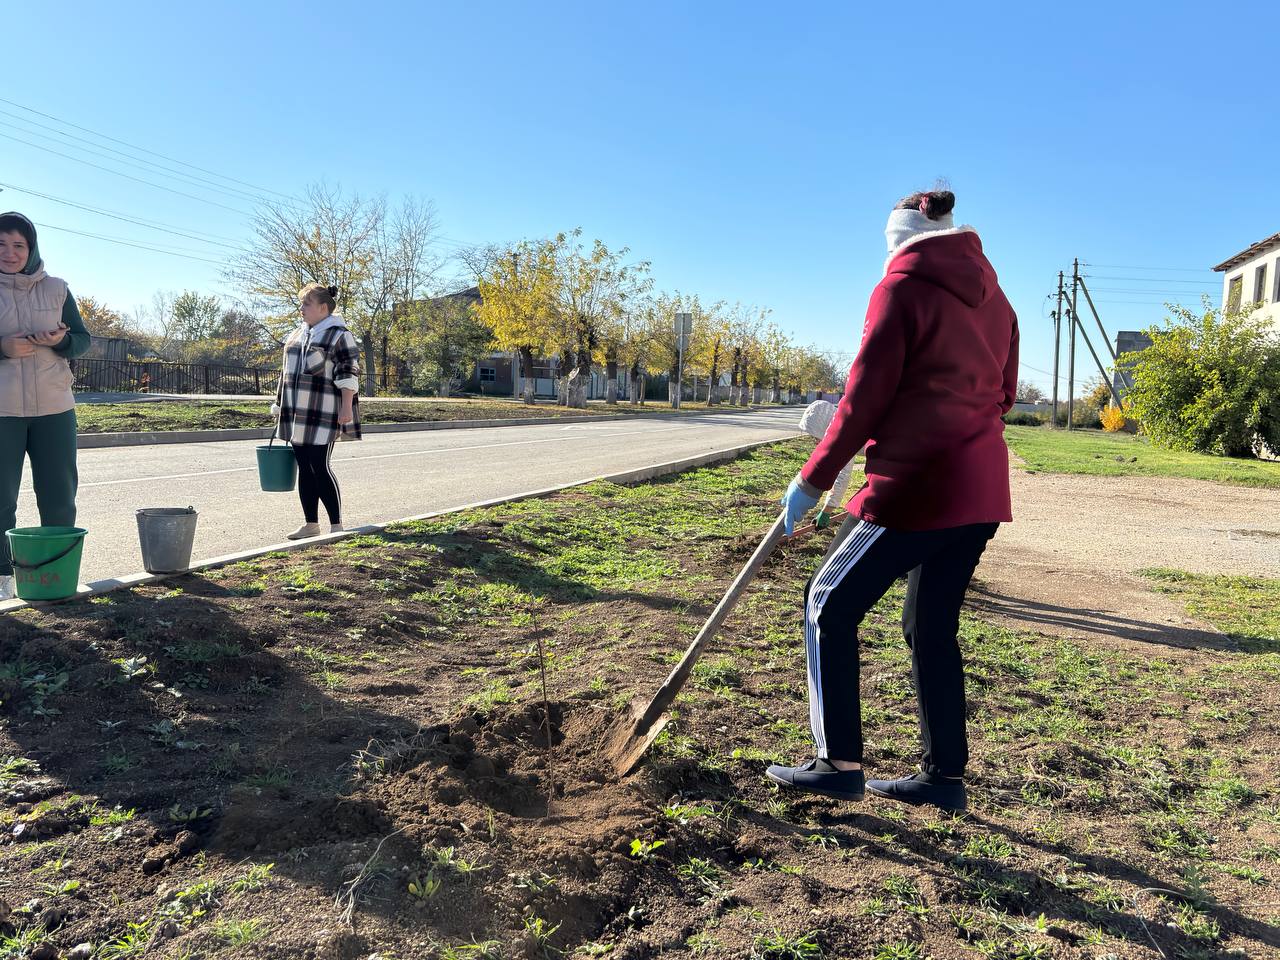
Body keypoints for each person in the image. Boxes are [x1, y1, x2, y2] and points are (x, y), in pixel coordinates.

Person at [767, 189, 1018, 811]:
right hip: (981, 488)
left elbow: (863, 400)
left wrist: (812, 480)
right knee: (931, 626)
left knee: (827, 602)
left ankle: (837, 764)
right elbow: (1006, 394)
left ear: (900, 239)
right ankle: (943, 778)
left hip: (916, 487)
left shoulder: (899, 289)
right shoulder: (999, 301)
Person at [0, 213, 91, 600]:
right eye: (1, 244)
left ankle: (57, 575)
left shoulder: (57, 289)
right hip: (2, 412)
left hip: (54, 409)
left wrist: (60, 342)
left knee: (59, 496)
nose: (9, 253)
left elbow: (82, 339)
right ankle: (3, 580)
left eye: (18, 245)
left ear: (31, 249)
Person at [272, 283, 361, 540]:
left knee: (319, 466)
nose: (301, 308)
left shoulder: (339, 335)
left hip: (323, 412)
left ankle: (336, 525)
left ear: (323, 308)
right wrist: (279, 404)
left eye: (306, 304)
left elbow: (348, 373)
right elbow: (285, 374)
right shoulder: (297, 334)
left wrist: (346, 408)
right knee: (304, 466)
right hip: (296, 412)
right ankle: (311, 524)